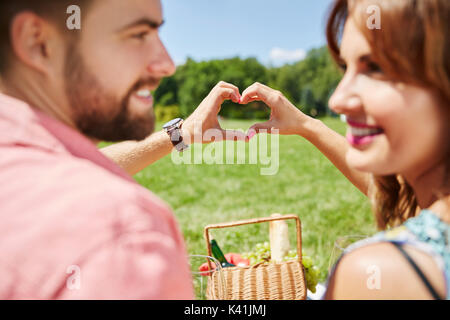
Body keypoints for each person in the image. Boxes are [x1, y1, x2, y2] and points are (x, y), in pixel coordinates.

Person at [0, 0, 243, 299]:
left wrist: (182, 135)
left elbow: (57, 171)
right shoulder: (120, 232)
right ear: (38, 43)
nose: (166, 64)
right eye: (138, 34)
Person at [236, 0, 449, 299]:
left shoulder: (380, 272)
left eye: (375, 67)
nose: (337, 100)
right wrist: (306, 126)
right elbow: (404, 203)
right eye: (345, 67)